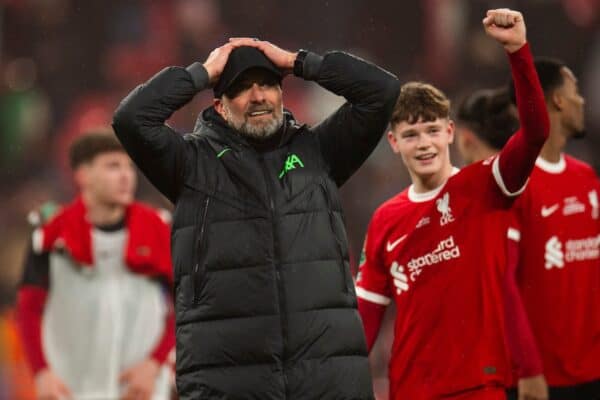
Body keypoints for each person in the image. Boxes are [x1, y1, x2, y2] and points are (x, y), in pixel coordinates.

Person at [112, 37, 400, 399]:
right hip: (229, 383)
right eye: (241, 88)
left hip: (327, 379)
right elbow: (131, 119)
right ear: (219, 105)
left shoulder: (319, 152)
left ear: (282, 93)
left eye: (266, 84)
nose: (258, 96)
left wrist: (299, 62)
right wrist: (202, 73)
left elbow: (382, 91)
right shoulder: (190, 165)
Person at [355, 9, 549, 399]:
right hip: (408, 390)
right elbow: (365, 319)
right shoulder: (385, 219)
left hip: (478, 387)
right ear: (394, 143)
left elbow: (534, 134)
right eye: (411, 134)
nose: (423, 143)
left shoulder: (485, 184)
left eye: (431, 130)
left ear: (449, 132)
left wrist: (518, 53)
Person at [16, 132, 175, 400]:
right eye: (113, 166)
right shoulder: (51, 236)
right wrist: (41, 372)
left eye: (129, 167)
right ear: (83, 175)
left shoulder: (159, 229)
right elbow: (29, 309)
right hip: (72, 390)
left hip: (141, 390)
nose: (126, 176)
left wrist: (155, 362)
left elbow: (187, 304)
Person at [503, 58, 600, 399]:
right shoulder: (515, 183)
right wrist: (528, 369)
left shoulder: (586, 178)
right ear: (558, 100)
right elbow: (504, 285)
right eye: (575, 92)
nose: (583, 101)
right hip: (541, 380)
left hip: (592, 370)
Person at [456, 89, 549, 400]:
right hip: (562, 349)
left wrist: (529, 368)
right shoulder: (548, 182)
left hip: (513, 368)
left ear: (465, 139)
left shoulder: (487, 194)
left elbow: (503, 283)